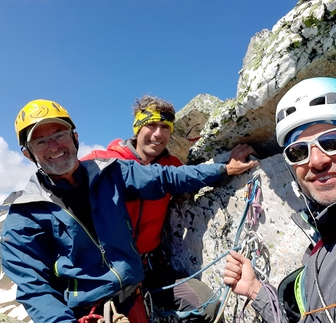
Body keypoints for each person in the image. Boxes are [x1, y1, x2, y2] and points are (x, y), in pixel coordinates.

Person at [0, 99, 259, 323]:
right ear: (27, 153)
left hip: (135, 296)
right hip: (87, 311)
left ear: (75, 137)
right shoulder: (24, 218)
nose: (53, 146)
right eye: (40, 141)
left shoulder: (109, 172)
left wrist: (223, 169)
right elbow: (35, 288)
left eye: (59, 134)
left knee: (206, 305)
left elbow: (165, 178)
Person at [223, 77, 336, 323]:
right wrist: (255, 290)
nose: (317, 161)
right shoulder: (321, 246)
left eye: (334, 141)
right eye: (299, 151)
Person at [82, 95, 252, 321]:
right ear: (137, 127)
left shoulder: (173, 167)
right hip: (107, 271)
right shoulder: (103, 162)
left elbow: (190, 175)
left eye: (165, 127)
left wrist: (223, 162)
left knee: (208, 307)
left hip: (150, 268)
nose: (158, 134)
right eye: (150, 125)